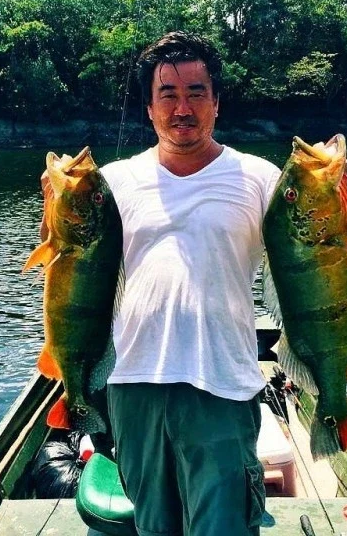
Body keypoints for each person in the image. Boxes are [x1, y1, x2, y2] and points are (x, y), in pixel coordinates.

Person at [99, 31, 282, 536]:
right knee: (153, 526)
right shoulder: (111, 182)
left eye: (196, 93)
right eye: (168, 95)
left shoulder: (261, 178)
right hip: (134, 382)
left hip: (221, 382)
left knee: (223, 527)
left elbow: (315, 259)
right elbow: (71, 270)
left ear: (216, 103)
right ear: (149, 108)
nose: (183, 108)